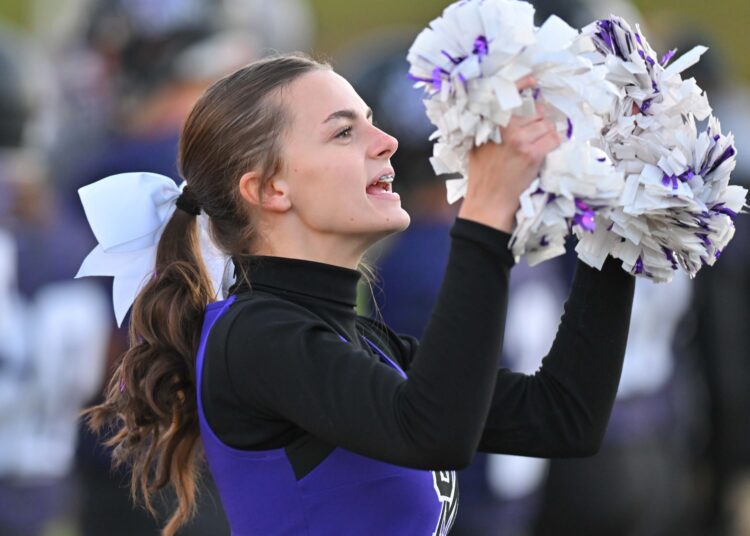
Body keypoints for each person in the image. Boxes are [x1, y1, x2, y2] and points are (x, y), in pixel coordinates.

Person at [80, 54, 635, 536]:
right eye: (345, 132)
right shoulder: (251, 336)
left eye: (371, 121)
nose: (386, 141)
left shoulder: (364, 342)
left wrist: (614, 232)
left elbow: (564, 417)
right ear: (270, 188)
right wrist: (486, 213)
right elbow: (433, 433)